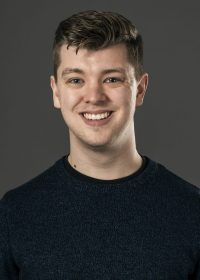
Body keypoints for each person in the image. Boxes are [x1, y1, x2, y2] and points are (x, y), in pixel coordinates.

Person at [0, 10, 200, 279]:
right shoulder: (14, 214)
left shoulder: (192, 212)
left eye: (112, 79)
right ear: (56, 92)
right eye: (76, 80)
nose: (93, 96)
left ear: (139, 89)